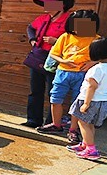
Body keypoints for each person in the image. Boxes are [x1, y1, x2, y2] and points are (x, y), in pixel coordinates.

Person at [37, 9, 100, 143]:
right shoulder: (65, 37)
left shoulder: (96, 39)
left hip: (83, 74)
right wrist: (63, 61)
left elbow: (104, 57)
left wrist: (93, 62)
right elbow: (54, 54)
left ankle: (73, 129)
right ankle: (56, 124)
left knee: (77, 102)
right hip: (62, 72)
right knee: (55, 98)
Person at [24, 0, 75, 128]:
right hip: (39, 57)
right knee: (35, 90)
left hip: (57, 61)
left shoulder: (73, 19)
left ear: (62, 5)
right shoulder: (43, 18)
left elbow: (82, 39)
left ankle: (51, 123)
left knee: (54, 93)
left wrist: (56, 41)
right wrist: (32, 40)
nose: (46, 6)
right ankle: (33, 120)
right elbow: (30, 27)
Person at [66, 36, 107, 161]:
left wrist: (86, 104)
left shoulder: (97, 69)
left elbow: (92, 86)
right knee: (90, 123)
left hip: (90, 100)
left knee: (82, 122)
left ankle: (91, 150)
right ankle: (85, 144)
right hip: (105, 101)